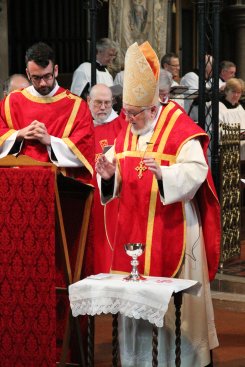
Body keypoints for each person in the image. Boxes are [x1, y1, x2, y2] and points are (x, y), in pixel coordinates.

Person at [96, 41, 220, 367]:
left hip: (173, 226)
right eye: (126, 113)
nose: (129, 120)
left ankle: (181, 361)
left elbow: (197, 171)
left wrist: (164, 174)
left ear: (153, 108)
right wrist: (109, 175)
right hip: (134, 229)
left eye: (134, 114)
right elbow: (115, 172)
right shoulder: (128, 128)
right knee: (136, 303)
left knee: (173, 311)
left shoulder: (179, 127)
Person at [0, 42, 94, 184]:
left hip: (59, 185)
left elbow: (85, 149)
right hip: (17, 183)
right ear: (27, 73)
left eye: (47, 76)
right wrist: (18, 134)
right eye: (36, 78)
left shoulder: (76, 105)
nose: (43, 83)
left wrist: (50, 141)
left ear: (55, 70)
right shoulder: (12, 102)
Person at [87, 83, 125, 273]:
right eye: (98, 103)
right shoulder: (80, 126)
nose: (103, 107)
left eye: (107, 103)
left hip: (109, 200)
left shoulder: (122, 126)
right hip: (85, 197)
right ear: (88, 101)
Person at [180, 55, 213, 121]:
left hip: (206, 121)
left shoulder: (210, 80)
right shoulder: (190, 77)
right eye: (212, 65)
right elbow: (196, 97)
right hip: (193, 120)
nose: (213, 69)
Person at [219, 77, 245, 159]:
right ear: (226, 91)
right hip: (226, 150)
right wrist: (237, 136)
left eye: (239, 92)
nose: (236, 95)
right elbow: (219, 133)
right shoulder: (219, 107)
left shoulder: (240, 108)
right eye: (233, 92)